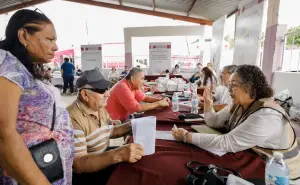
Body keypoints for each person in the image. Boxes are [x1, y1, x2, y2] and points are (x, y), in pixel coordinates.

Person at [172, 65, 300, 180]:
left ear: (249, 87)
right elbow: (213, 122)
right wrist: (208, 104)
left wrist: (186, 137)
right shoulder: (240, 105)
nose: (229, 90)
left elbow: (227, 142)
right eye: (228, 85)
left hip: (279, 176)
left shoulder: (267, 115)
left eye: (233, 85)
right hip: (254, 159)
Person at [0, 9, 74, 185]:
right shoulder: (7, 63)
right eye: (49, 39)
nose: (55, 47)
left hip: (46, 166)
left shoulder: (23, 67)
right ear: (24, 36)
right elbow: (4, 132)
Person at [67, 69, 144, 185]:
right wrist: (119, 154)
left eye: (107, 89)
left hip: (102, 157)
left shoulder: (98, 107)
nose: (108, 94)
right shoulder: (71, 118)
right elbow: (78, 164)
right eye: (102, 90)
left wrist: (131, 125)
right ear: (85, 94)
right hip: (87, 175)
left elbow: (109, 131)